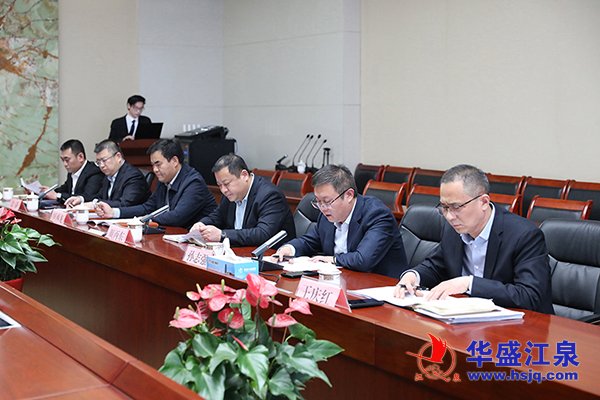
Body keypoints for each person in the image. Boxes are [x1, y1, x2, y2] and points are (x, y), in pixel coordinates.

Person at [394, 164, 554, 313]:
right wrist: (413, 276)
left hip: (521, 324)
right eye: (444, 207)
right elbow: (436, 266)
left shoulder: (524, 235)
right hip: (467, 317)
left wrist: (469, 284)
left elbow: (529, 295)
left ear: (483, 202)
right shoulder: (453, 228)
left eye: (456, 207)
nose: (449, 216)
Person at [274, 164, 408, 278]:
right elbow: (310, 241)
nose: (322, 208)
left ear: (348, 195)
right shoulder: (327, 214)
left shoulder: (377, 215)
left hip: (380, 287)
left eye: (327, 201)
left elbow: (363, 259)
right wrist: (289, 249)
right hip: (341, 280)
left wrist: (332, 259)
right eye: (318, 201)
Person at [95, 139, 216, 228]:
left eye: (158, 164)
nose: (155, 170)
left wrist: (144, 220)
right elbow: (148, 207)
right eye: (153, 165)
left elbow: (177, 217)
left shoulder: (193, 182)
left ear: (174, 161)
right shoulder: (164, 180)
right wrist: (114, 212)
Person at [190, 154, 295, 246]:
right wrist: (202, 224)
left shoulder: (270, 195)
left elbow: (262, 234)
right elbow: (218, 216)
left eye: (226, 183)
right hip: (239, 252)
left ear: (244, 175)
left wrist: (222, 235)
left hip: (270, 256)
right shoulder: (230, 193)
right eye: (219, 185)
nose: (223, 190)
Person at [64, 140, 150, 208]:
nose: (101, 165)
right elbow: (99, 197)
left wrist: (94, 204)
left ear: (118, 157)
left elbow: (124, 203)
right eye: (98, 162)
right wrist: (81, 199)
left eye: (104, 160)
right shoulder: (109, 175)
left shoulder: (133, 176)